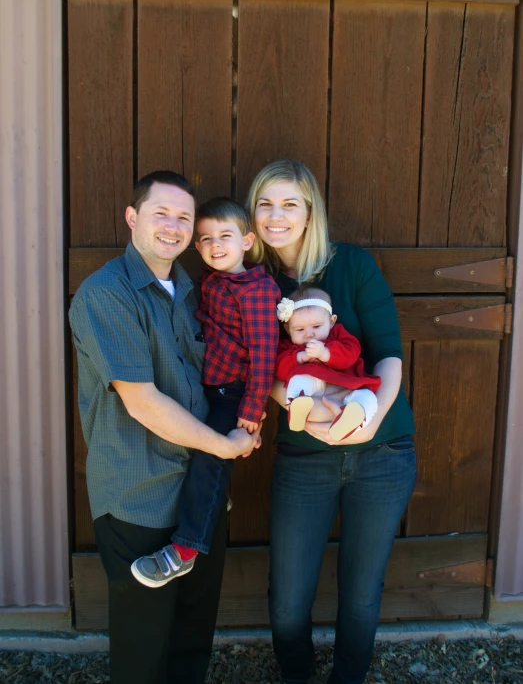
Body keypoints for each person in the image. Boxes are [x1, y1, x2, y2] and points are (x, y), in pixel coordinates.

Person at [69, 172, 261, 684]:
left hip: (200, 496)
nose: (174, 227)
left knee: (191, 643)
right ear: (133, 218)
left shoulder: (197, 293)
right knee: (143, 652)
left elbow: (233, 367)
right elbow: (144, 403)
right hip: (140, 498)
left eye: (184, 218)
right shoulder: (105, 294)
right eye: (161, 213)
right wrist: (226, 445)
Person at [246, 160, 417, 684]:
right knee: (288, 604)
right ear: (253, 214)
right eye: (265, 204)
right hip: (304, 456)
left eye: (289, 204)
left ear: (310, 211)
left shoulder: (354, 266)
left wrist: (370, 416)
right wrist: (304, 410)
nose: (277, 217)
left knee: (362, 596)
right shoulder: (253, 283)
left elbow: (388, 352)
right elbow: (255, 368)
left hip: (382, 454)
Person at [131, 197, 280, 588]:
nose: (216, 245)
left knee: (207, 461)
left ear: (247, 241)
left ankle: (184, 550)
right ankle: (213, 501)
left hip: (234, 394)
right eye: (206, 238)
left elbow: (265, 354)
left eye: (225, 236)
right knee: (189, 448)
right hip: (206, 387)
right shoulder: (210, 282)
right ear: (196, 247)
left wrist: (252, 407)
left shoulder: (256, 290)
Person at [275, 287, 380, 439]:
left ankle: (350, 420)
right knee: (299, 378)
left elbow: (352, 353)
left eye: (317, 327)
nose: (309, 334)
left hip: (347, 384)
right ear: (287, 328)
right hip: (313, 390)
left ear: (331, 322)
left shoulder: (337, 336)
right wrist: (299, 357)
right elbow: (278, 368)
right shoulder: (290, 348)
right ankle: (297, 408)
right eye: (299, 329)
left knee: (369, 398)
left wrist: (326, 353)